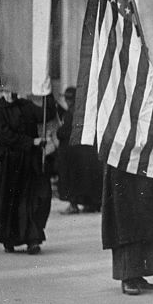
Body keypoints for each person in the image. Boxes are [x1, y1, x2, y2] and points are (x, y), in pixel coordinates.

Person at [0, 86, 52, 254]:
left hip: (29, 163)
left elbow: (46, 114)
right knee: (9, 202)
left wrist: (47, 93)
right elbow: (6, 136)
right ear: (1, 90)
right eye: (7, 89)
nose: (12, 93)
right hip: (7, 165)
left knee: (31, 200)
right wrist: (32, 142)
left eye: (14, 88)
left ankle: (32, 240)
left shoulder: (26, 106)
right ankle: (9, 239)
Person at [100, 164, 153, 295]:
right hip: (121, 162)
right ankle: (127, 276)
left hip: (143, 161)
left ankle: (138, 273)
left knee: (146, 215)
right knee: (125, 216)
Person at [56, 86, 102, 214]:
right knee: (86, 180)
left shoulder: (71, 113)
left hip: (72, 155)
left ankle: (74, 204)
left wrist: (59, 131)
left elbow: (64, 132)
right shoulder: (84, 110)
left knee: (72, 181)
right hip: (87, 154)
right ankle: (91, 204)